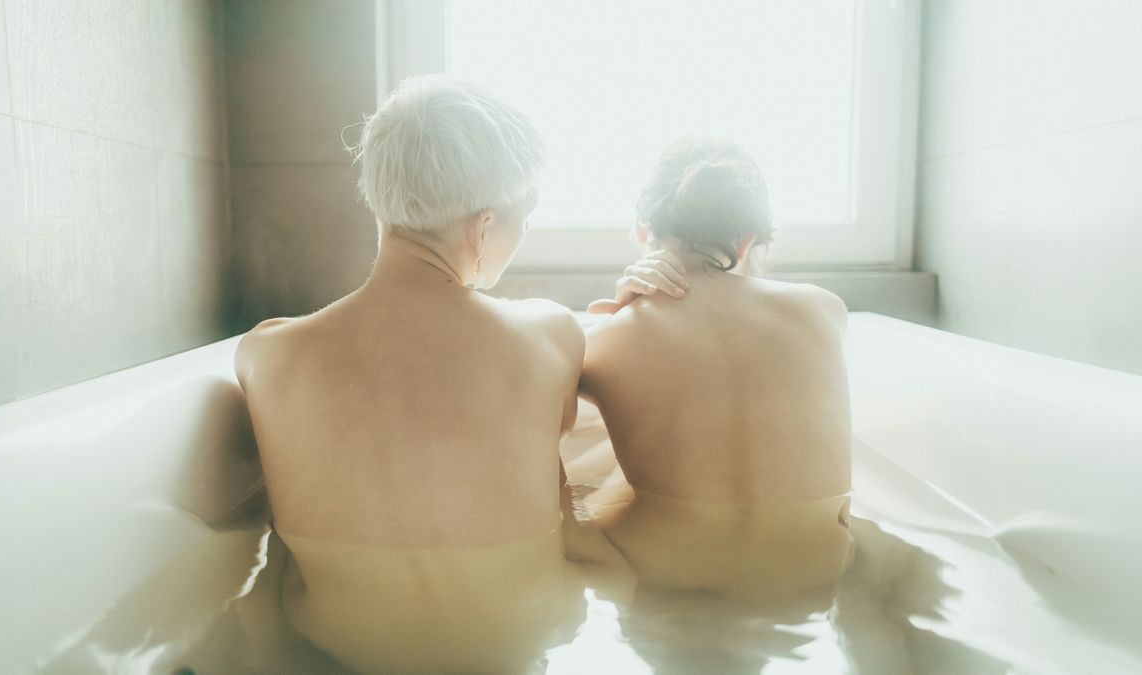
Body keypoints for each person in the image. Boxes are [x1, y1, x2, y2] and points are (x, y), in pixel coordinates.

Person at [232, 75, 590, 673]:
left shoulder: (267, 355)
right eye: (520, 222)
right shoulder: (549, 338)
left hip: (333, 651)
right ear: (483, 226)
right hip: (506, 649)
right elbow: (559, 500)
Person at [574, 135, 855, 601]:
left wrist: (625, 306)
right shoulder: (827, 311)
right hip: (812, 577)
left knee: (601, 482)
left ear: (644, 234)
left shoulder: (606, 341)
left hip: (667, 579)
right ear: (745, 241)